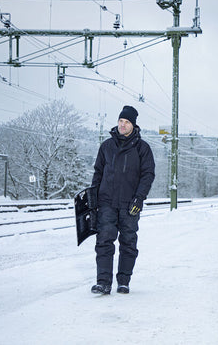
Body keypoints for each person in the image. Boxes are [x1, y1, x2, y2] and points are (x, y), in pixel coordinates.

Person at [90, 105, 155, 295]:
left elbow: (147, 175)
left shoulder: (142, 149)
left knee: (128, 242)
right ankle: (103, 283)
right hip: (107, 202)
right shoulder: (106, 147)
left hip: (130, 204)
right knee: (104, 241)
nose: (122, 125)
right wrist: (93, 198)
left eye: (126, 122)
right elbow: (98, 173)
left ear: (133, 125)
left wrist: (139, 199)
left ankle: (124, 281)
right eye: (120, 121)